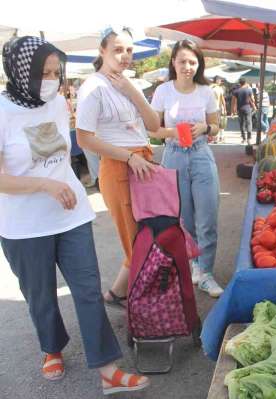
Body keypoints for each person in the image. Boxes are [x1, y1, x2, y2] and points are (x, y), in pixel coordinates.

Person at [0, 36, 148, 395]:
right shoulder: (3, 110)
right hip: (23, 224)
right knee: (40, 295)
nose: (51, 80)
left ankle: (108, 368)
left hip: (71, 215)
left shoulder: (54, 104)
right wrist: (44, 185)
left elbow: (60, 155)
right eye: (43, 73)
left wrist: (62, 183)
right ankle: (51, 348)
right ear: (21, 73)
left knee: (87, 290)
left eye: (56, 72)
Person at [76, 28, 160, 309]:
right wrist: (128, 157)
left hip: (142, 163)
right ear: (102, 51)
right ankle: (142, 308)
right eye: (118, 49)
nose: (125, 56)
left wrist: (132, 90)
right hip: (120, 166)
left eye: (129, 50)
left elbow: (154, 125)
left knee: (147, 236)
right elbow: (84, 138)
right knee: (137, 243)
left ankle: (118, 295)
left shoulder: (124, 83)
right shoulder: (93, 87)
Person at [148, 40, 223, 297]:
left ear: (199, 63)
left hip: (201, 154)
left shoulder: (206, 91)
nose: (188, 66)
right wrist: (173, 132)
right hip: (174, 155)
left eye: (193, 61)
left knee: (208, 218)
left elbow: (217, 125)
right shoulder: (163, 91)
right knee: (183, 219)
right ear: (173, 63)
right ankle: (192, 265)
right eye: (182, 61)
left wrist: (204, 128)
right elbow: (151, 128)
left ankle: (207, 273)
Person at [231, 78, 256, 144]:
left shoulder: (236, 91)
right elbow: (253, 100)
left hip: (240, 109)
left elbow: (233, 102)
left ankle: (244, 138)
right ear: (245, 83)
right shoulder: (249, 90)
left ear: (240, 83)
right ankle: (249, 138)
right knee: (249, 123)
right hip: (247, 109)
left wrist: (233, 111)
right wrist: (254, 106)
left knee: (242, 124)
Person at [211, 76, 227, 142]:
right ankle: (220, 137)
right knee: (220, 123)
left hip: (211, 109)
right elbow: (222, 99)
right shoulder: (219, 88)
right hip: (217, 108)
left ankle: (215, 137)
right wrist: (224, 108)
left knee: (214, 123)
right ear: (217, 80)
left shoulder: (210, 87)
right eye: (220, 80)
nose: (220, 81)